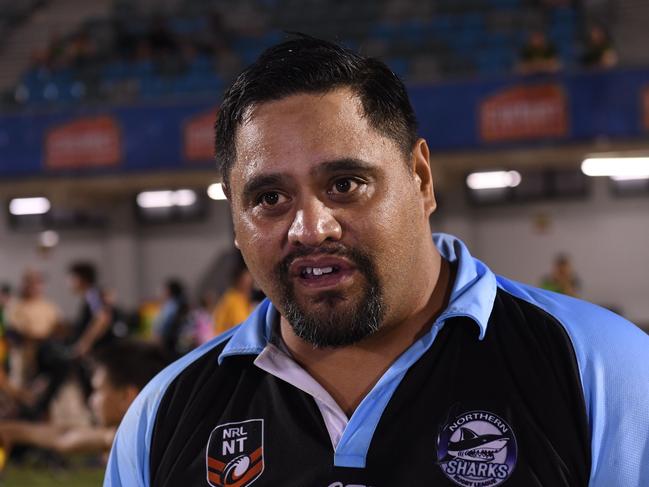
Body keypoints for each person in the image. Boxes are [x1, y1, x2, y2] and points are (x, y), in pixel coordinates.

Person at [106, 36, 649, 487]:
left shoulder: (605, 371)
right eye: (270, 198)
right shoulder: (163, 415)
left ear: (421, 179)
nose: (311, 228)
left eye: (345, 184)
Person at [0, 339, 170, 461]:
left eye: (97, 390)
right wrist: (11, 431)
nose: (91, 400)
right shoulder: (160, 434)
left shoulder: (138, 441)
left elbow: (66, 437)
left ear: (126, 396)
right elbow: (65, 435)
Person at [212, 255, 254, 336]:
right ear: (239, 281)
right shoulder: (232, 299)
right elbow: (242, 323)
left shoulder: (244, 299)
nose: (250, 285)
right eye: (247, 282)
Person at [152, 279, 189, 356]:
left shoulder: (171, 305)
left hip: (168, 341)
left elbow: (164, 324)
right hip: (177, 342)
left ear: (169, 291)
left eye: (164, 289)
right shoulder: (180, 303)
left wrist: (158, 337)